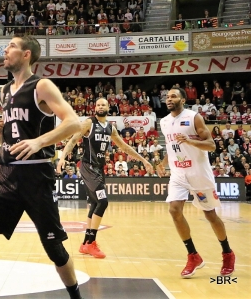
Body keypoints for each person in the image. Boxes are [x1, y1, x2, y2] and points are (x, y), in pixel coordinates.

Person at [0, 36, 83, 299]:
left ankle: (76, 295)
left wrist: (39, 141)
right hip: (5, 175)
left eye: (12, 46)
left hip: (36, 175)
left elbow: (73, 122)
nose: (5, 50)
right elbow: (4, 131)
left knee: (53, 247)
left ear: (27, 54)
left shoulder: (41, 86)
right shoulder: (6, 90)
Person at [57, 98, 152, 259]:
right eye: (98, 105)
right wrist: (61, 158)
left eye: (103, 105)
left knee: (95, 203)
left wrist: (143, 160)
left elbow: (124, 147)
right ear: (95, 108)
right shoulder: (89, 123)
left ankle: (86, 242)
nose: (100, 107)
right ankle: (91, 243)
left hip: (99, 169)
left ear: (109, 108)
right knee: (103, 202)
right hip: (88, 166)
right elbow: (73, 140)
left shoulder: (110, 128)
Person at [158, 88, 235, 278]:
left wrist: (190, 142)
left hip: (199, 173)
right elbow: (171, 146)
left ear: (183, 99)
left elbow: (211, 145)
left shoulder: (194, 118)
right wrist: (162, 163)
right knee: (174, 210)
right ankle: (193, 255)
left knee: (210, 215)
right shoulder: (164, 121)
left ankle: (227, 253)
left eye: (174, 96)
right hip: (178, 173)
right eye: (167, 97)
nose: (169, 99)